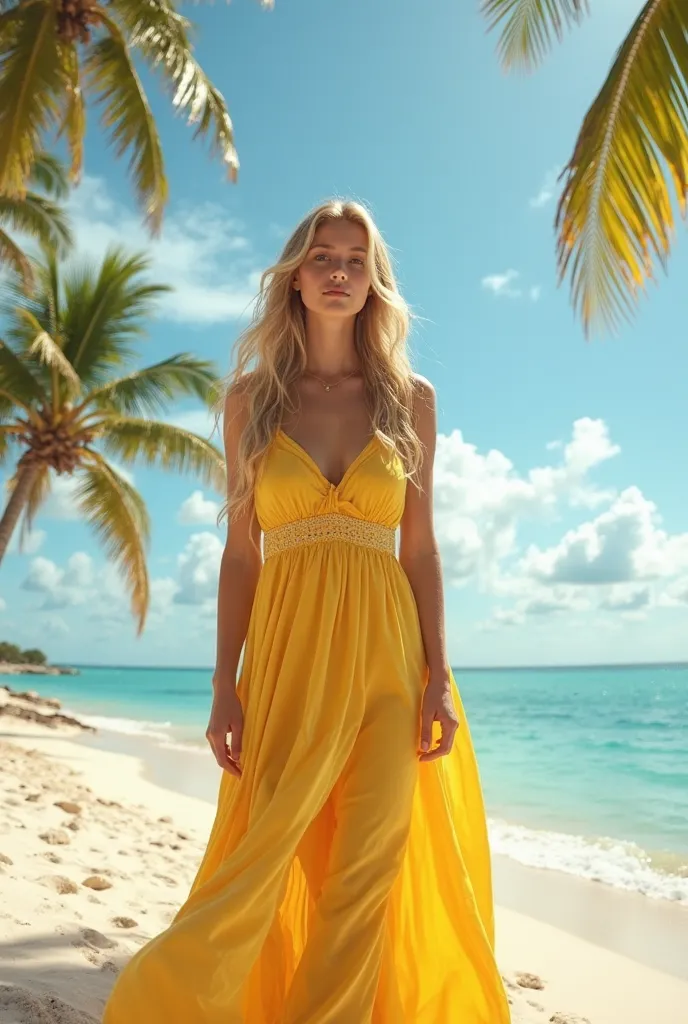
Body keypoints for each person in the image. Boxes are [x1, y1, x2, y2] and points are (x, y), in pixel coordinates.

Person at [102, 200, 511, 1023]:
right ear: (294, 275)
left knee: (363, 886)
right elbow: (241, 556)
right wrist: (225, 686)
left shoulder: (411, 399)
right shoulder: (252, 401)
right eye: (322, 257)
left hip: (391, 669)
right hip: (288, 667)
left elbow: (420, 551)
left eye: (355, 261)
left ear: (373, 282)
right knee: (257, 867)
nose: (337, 273)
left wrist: (439, 673)